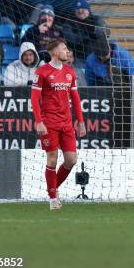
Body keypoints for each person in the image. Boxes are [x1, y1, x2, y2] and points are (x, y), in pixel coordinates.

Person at [31, 38, 86, 210]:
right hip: (49, 123)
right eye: (64, 48)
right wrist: (39, 121)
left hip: (67, 123)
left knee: (71, 160)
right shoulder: (42, 72)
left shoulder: (70, 72)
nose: (67, 51)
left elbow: (76, 99)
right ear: (55, 52)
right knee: (52, 159)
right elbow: (34, 98)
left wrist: (81, 121)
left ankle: (52, 190)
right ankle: (53, 198)